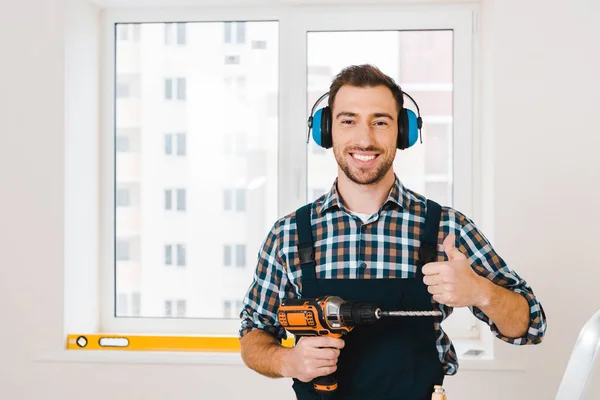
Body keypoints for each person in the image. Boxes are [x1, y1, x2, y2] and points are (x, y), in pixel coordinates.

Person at [238, 64, 547, 400]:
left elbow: (530, 326)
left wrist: (482, 292)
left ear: (403, 132)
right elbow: (254, 334)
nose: (365, 139)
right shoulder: (288, 235)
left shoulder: (446, 228)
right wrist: (288, 361)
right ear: (326, 132)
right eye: (348, 120)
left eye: (380, 122)